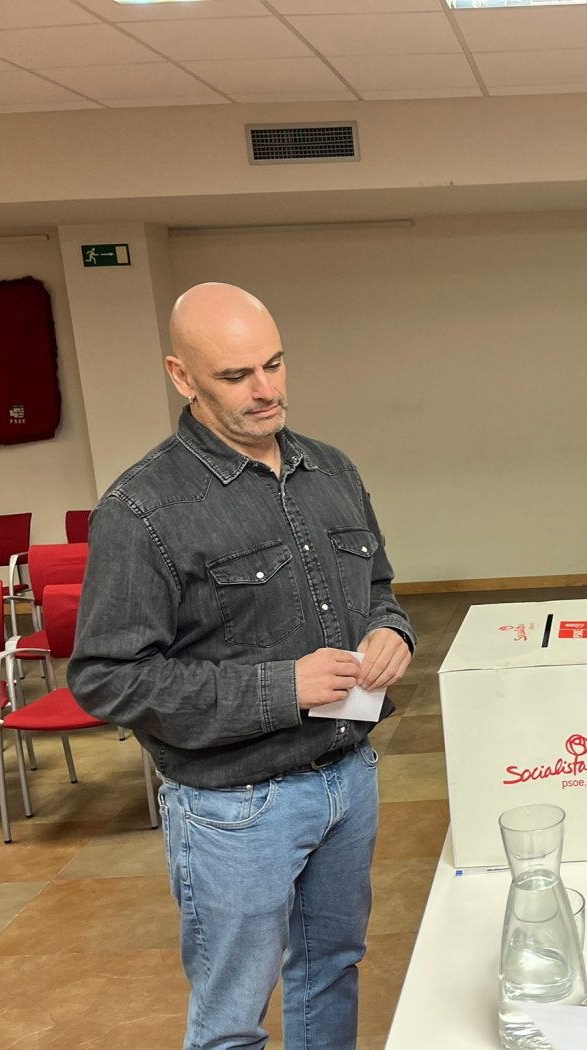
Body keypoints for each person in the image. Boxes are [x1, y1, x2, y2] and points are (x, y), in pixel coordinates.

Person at [69, 283, 415, 1050]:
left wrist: (394, 633)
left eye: (274, 364)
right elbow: (106, 677)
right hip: (236, 807)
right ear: (182, 376)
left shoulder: (332, 470)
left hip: (347, 777)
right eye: (236, 376)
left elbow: (380, 588)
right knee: (232, 1020)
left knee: (331, 969)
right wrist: (279, 687)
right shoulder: (142, 509)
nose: (266, 390)